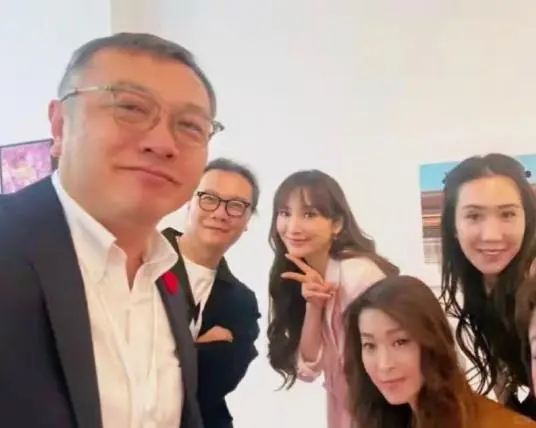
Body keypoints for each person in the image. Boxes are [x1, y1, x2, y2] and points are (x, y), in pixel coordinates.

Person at [0, 32, 224, 428]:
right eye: (131, 108)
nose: (162, 142)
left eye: (190, 125)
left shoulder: (167, 273)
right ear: (60, 124)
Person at [267, 169, 399, 428]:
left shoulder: (358, 274)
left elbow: (388, 363)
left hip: (382, 410)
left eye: (309, 214)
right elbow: (308, 368)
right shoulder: (303, 275)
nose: (292, 227)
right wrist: (314, 307)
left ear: (336, 224)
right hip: (348, 408)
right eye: (284, 213)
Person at [343, 274, 536, 428]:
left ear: (432, 342)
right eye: (370, 345)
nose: (384, 365)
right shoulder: (383, 416)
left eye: (400, 342)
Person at [162, 158, 261, 428]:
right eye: (209, 199)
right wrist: (198, 350)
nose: (220, 213)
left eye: (236, 205)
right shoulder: (141, 260)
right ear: (189, 201)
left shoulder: (242, 302)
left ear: (248, 219)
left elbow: (212, 386)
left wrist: (175, 353)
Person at [439, 153, 536, 418]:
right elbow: (504, 378)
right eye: (474, 216)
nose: (492, 235)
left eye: (508, 214)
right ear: (453, 226)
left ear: (527, 219)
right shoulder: (482, 284)